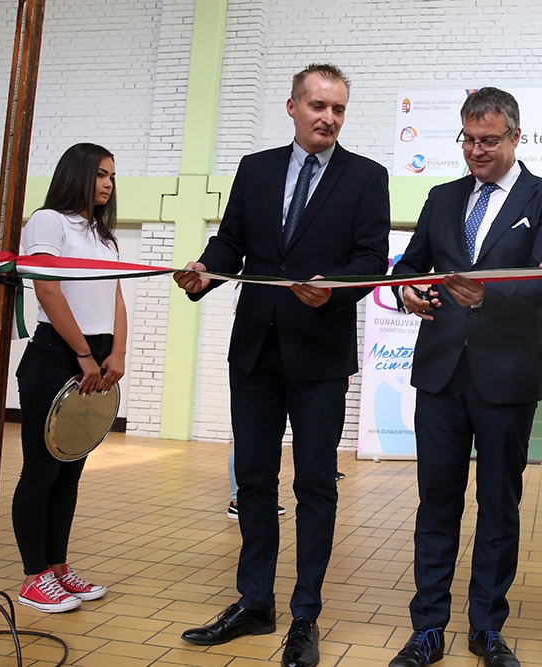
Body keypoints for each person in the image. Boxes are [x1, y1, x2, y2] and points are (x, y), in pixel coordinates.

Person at [174, 63, 389, 667]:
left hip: (319, 354)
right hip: (255, 351)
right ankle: (255, 602)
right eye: (318, 106)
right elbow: (231, 242)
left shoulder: (366, 177)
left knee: (315, 484)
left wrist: (334, 289)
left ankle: (305, 615)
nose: (329, 118)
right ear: (292, 107)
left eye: (338, 109)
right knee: (253, 481)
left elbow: (372, 260)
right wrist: (205, 271)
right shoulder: (256, 168)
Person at [387, 87, 542, 667]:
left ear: (516, 137)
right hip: (441, 372)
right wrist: (407, 290)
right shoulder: (441, 197)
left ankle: (487, 628)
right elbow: (409, 265)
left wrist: (486, 295)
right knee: (436, 504)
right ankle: (427, 628)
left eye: (488, 140)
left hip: (506, 376)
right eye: (467, 140)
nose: (476, 151)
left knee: (498, 506)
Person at [12, 143, 126, 613]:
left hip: (96, 358)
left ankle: (58, 567)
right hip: (56, 357)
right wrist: (82, 353)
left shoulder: (104, 237)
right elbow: (48, 290)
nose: (108, 184)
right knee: (41, 470)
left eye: (112, 176)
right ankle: (33, 577)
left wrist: (116, 352)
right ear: (76, 174)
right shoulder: (48, 222)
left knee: (70, 469)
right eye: (100, 174)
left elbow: (115, 296)